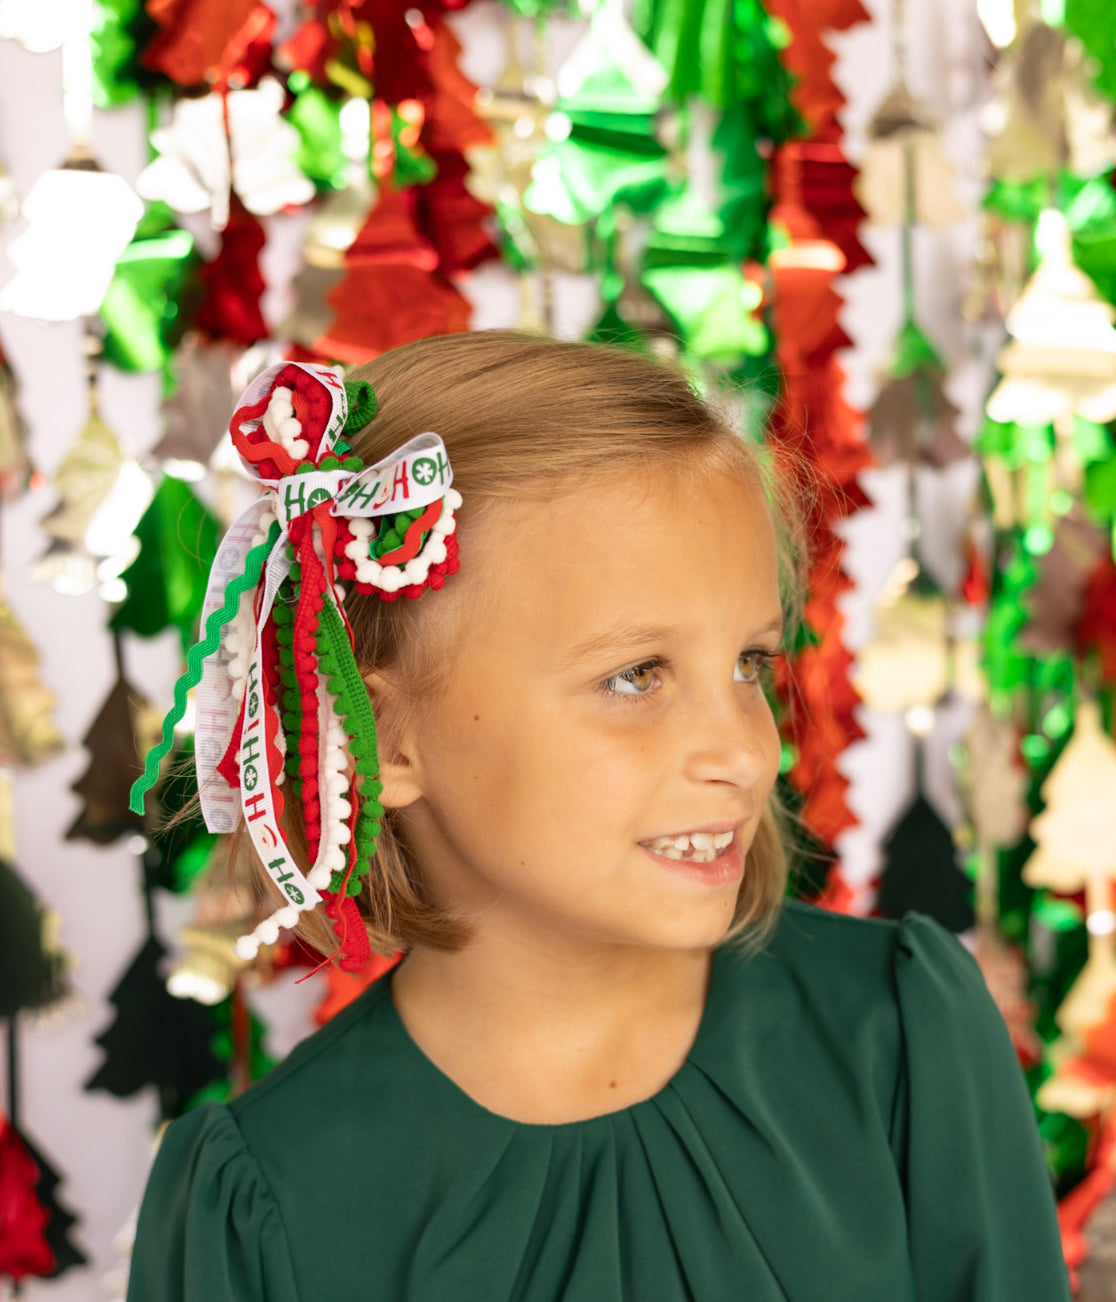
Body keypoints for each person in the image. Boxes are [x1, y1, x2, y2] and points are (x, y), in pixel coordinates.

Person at [126, 330, 1071, 1301]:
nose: (748, 753)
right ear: (386, 737)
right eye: (635, 677)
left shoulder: (899, 1040)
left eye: (750, 663)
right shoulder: (268, 1198)